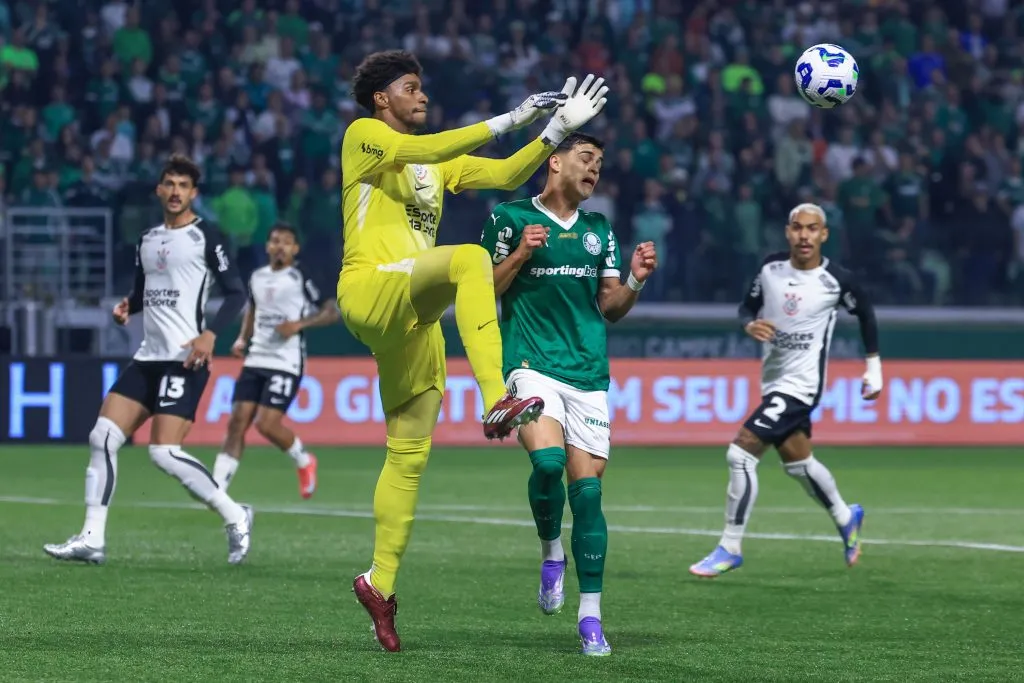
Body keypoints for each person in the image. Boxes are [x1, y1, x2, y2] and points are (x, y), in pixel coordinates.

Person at [337, 49, 608, 652]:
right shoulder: (364, 137)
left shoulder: (434, 164)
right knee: (470, 259)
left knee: (408, 453)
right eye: (411, 88)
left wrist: (553, 132)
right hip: (369, 290)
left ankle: (379, 582)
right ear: (382, 98)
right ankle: (496, 396)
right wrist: (510, 118)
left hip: (413, 319)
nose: (422, 96)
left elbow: (507, 175)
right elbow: (430, 149)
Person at [482, 132, 657, 656]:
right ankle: (551, 551)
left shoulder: (599, 230)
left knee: (588, 495)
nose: (594, 169)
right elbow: (483, 291)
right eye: (585, 158)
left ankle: (591, 618)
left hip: (588, 373)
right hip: (531, 364)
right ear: (554, 163)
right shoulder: (509, 218)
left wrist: (635, 280)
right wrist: (519, 253)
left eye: (599, 163)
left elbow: (610, 307)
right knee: (548, 463)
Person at [44, 155, 252, 565]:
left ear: (193, 193)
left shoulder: (206, 235)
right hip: (148, 357)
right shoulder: (147, 239)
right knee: (102, 437)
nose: (176, 191)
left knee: (163, 452)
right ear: (159, 190)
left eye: (183, 186)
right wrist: (128, 306)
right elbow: (143, 292)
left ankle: (235, 515)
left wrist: (210, 334)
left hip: (185, 358)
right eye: (169, 183)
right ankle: (92, 538)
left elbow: (236, 293)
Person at [689, 203, 883, 578]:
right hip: (773, 382)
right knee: (798, 463)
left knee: (740, 452)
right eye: (797, 227)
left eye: (812, 228)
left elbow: (866, 313)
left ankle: (730, 547)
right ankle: (846, 516)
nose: (804, 235)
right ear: (788, 232)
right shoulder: (770, 269)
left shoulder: (837, 280)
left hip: (802, 386)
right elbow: (746, 308)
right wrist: (749, 325)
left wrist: (873, 368)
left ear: (824, 234)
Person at [211, 223, 339, 498]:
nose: (280, 247)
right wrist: (242, 339)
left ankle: (304, 460)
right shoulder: (257, 277)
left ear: (295, 248)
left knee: (266, 425)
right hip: (256, 357)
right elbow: (253, 309)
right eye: (275, 241)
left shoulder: (301, 275)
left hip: (285, 361)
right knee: (237, 422)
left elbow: (331, 312)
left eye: (287, 242)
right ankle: (217, 490)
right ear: (267, 246)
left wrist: (299, 324)